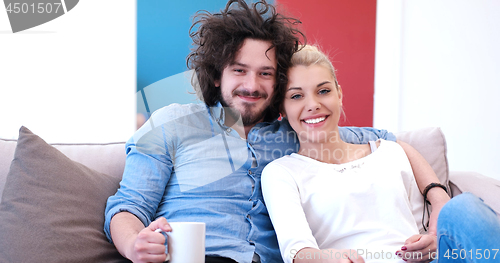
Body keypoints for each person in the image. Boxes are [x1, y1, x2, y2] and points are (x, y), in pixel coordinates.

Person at [104, 1, 440, 263]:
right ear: (217, 74)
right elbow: (127, 208)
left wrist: (438, 198)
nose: (252, 85)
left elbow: (390, 143)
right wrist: (135, 244)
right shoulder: (172, 124)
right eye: (240, 71)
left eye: (265, 73)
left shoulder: (299, 132)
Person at [261, 45, 500, 263]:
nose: (312, 104)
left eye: (323, 91)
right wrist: (333, 258)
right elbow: (297, 252)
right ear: (282, 108)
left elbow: (431, 229)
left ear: (339, 95)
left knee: (464, 207)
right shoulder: (282, 173)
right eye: (296, 96)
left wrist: (434, 233)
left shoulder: (390, 152)